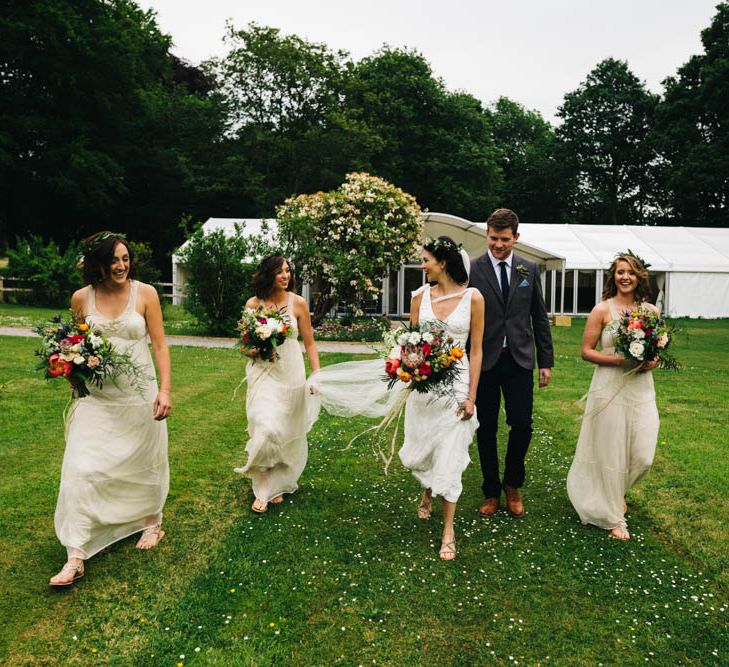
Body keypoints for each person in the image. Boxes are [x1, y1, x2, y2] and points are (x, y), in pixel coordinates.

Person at [50, 232, 171, 586]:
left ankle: (152, 522)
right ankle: (76, 554)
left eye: (125, 259)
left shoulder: (145, 294)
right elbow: (73, 344)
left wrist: (164, 389)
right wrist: (70, 370)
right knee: (81, 467)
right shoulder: (81, 298)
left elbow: (160, 346)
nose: (121, 266)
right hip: (96, 399)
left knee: (142, 462)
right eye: (114, 260)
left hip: (139, 394)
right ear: (98, 263)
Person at [399, 236, 484, 561]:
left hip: (458, 384)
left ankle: (448, 530)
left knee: (450, 452)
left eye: (426, 260)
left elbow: (477, 350)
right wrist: (407, 367)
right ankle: (427, 491)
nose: (423, 266)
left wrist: (472, 395)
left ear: (443, 262)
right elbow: (411, 343)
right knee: (428, 445)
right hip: (426, 386)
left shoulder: (474, 298)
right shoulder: (420, 297)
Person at [566, 253, 660, 540]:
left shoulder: (650, 312)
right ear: (614, 276)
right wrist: (620, 361)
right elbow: (586, 350)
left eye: (630, 272)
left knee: (642, 455)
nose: (625, 277)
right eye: (620, 272)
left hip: (641, 388)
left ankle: (617, 491)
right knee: (611, 449)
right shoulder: (602, 310)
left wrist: (652, 360)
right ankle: (613, 516)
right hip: (609, 384)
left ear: (639, 276)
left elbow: (655, 349)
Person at [468, 208, 553, 518]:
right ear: (486, 235)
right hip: (484, 360)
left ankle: (512, 484)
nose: (498, 245)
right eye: (493, 239)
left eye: (505, 239)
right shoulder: (473, 270)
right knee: (485, 427)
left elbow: (539, 318)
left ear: (516, 237)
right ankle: (491, 491)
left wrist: (545, 361)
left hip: (519, 360)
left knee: (522, 425)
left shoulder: (528, 269)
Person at [234, 255, 321, 513]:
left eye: (287, 271)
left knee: (284, 433)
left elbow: (310, 343)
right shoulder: (253, 304)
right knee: (266, 427)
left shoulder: (299, 303)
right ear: (267, 274)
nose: (285, 276)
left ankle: (276, 484)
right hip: (263, 374)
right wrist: (259, 348)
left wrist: (316, 375)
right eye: (279, 272)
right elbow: (244, 345)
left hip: (291, 374)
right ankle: (262, 490)